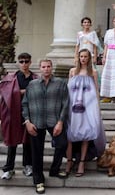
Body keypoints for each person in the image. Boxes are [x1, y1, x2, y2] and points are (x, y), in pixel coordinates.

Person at [22, 59, 69, 194]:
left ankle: (54, 170)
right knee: (36, 152)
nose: (46, 69)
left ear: (51, 68)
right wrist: (27, 122)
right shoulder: (32, 84)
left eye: (48, 66)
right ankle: (38, 180)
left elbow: (65, 103)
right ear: (40, 68)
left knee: (62, 144)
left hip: (54, 120)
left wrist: (60, 122)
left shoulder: (60, 83)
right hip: (36, 122)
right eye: (43, 67)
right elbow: (25, 104)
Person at [66, 49, 106, 178]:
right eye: (81, 56)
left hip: (88, 107)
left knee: (85, 133)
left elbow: (96, 91)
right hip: (73, 107)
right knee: (70, 134)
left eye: (85, 56)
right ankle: (69, 161)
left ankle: (82, 163)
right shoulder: (72, 71)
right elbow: (68, 90)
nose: (83, 58)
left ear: (89, 58)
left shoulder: (92, 72)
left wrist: (97, 108)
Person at [0, 53, 37, 180]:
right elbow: (5, 93)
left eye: (26, 61)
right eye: (21, 61)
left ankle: (27, 166)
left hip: (31, 113)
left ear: (30, 62)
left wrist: (22, 92)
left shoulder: (35, 78)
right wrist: (23, 92)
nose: (24, 64)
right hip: (14, 113)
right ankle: (9, 168)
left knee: (27, 141)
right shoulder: (12, 78)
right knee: (12, 141)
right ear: (18, 63)